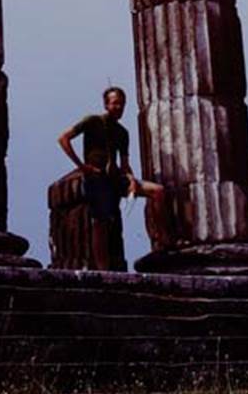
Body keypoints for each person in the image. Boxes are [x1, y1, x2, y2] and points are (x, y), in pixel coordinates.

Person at [58, 86, 172, 270]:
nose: (119, 107)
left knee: (158, 191)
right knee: (100, 223)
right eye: (115, 103)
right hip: (97, 178)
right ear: (106, 104)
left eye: (122, 104)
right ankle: (103, 271)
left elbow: (125, 164)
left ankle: (161, 242)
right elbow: (63, 138)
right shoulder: (92, 121)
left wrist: (132, 180)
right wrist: (81, 166)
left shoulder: (122, 132)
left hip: (115, 178)